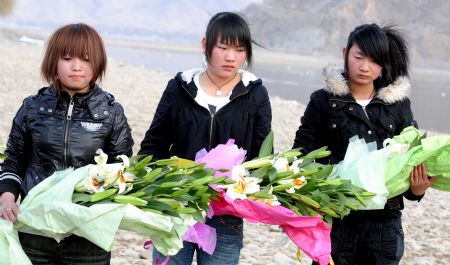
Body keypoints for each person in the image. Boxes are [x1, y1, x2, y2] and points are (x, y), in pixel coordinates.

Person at [292, 24, 435, 265]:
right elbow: (301, 154)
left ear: (383, 65)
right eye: (358, 57)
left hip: (384, 223)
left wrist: (417, 190)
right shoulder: (323, 101)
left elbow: (409, 158)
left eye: (374, 60)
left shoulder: (398, 105)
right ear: (345, 52)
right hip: (337, 219)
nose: (365, 67)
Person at [139, 11, 271, 265]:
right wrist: (155, 189)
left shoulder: (256, 94)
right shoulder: (179, 88)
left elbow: (261, 154)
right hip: (177, 205)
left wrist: (245, 189)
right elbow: (153, 144)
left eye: (240, 49)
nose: (231, 57)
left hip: (226, 213)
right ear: (205, 45)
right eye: (223, 47)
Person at [0, 23, 133, 264]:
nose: (76, 66)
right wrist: (7, 196)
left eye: (86, 59)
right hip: (34, 228)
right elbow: (14, 161)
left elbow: (122, 168)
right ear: (53, 61)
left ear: (99, 63)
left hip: (87, 235)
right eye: (67, 57)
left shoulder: (111, 113)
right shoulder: (32, 108)